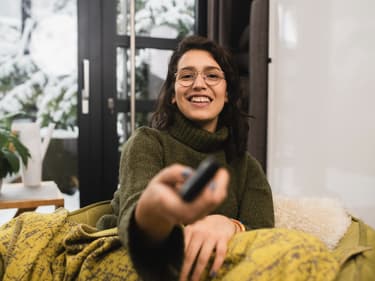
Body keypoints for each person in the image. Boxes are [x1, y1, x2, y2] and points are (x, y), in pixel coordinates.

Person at [96, 35, 275, 281]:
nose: (199, 84)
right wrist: (157, 210)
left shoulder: (246, 166)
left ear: (227, 95)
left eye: (212, 75)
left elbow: (267, 236)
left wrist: (228, 225)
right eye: (187, 75)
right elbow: (132, 222)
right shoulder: (147, 143)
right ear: (173, 93)